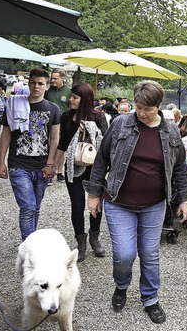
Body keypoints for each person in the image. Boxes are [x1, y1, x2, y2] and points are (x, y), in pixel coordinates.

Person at [83, 80, 187, 324]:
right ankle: (121, 286)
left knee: (150, 253)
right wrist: (93, 195)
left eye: (147, 109)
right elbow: (101, 160)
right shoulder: (121, 123)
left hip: (154, 204)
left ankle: (150, 298)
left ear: (159, 106)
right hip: (119, 202)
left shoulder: (171, 130)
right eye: (138, 107)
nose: (142, 113)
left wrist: (183, 198)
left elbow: (180, 168)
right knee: (124, 254)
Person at [0, 69, 61, 241]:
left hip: (42, 165)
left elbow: (55, 138)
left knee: (36, 207)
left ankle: (30, 242)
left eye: (40, 83)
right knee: (28, 207)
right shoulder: (14, 104)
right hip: (19, 164)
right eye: (33, 82)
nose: (36, 86)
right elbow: (6, 133)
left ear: (47, 86)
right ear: (28, 83)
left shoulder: (53, 109)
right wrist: (0, 161)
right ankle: (29, 247)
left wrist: (51, 163)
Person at [53, 83, 108, 262]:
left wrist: (91, 132)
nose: (70, 100)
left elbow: (106, 142)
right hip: (74, 167)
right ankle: (81, 242)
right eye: (71, 96)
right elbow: (62, 143)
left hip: (95, 169)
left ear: (84, 99)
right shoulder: (67, 117)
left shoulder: (98, 116)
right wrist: (53, 164)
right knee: (77, 206)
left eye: (75, 97)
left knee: (95, 205)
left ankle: (94, 238)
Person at [45, 68, 71, 182]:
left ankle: (60, 171)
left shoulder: (69, 91)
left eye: (55, 78)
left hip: (63, 123)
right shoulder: (48, 90)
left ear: (62, 78)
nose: (53, 80)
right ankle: (48, 170)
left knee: (61, 147)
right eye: (52, 78)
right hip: (49, 123)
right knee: (50, 146)